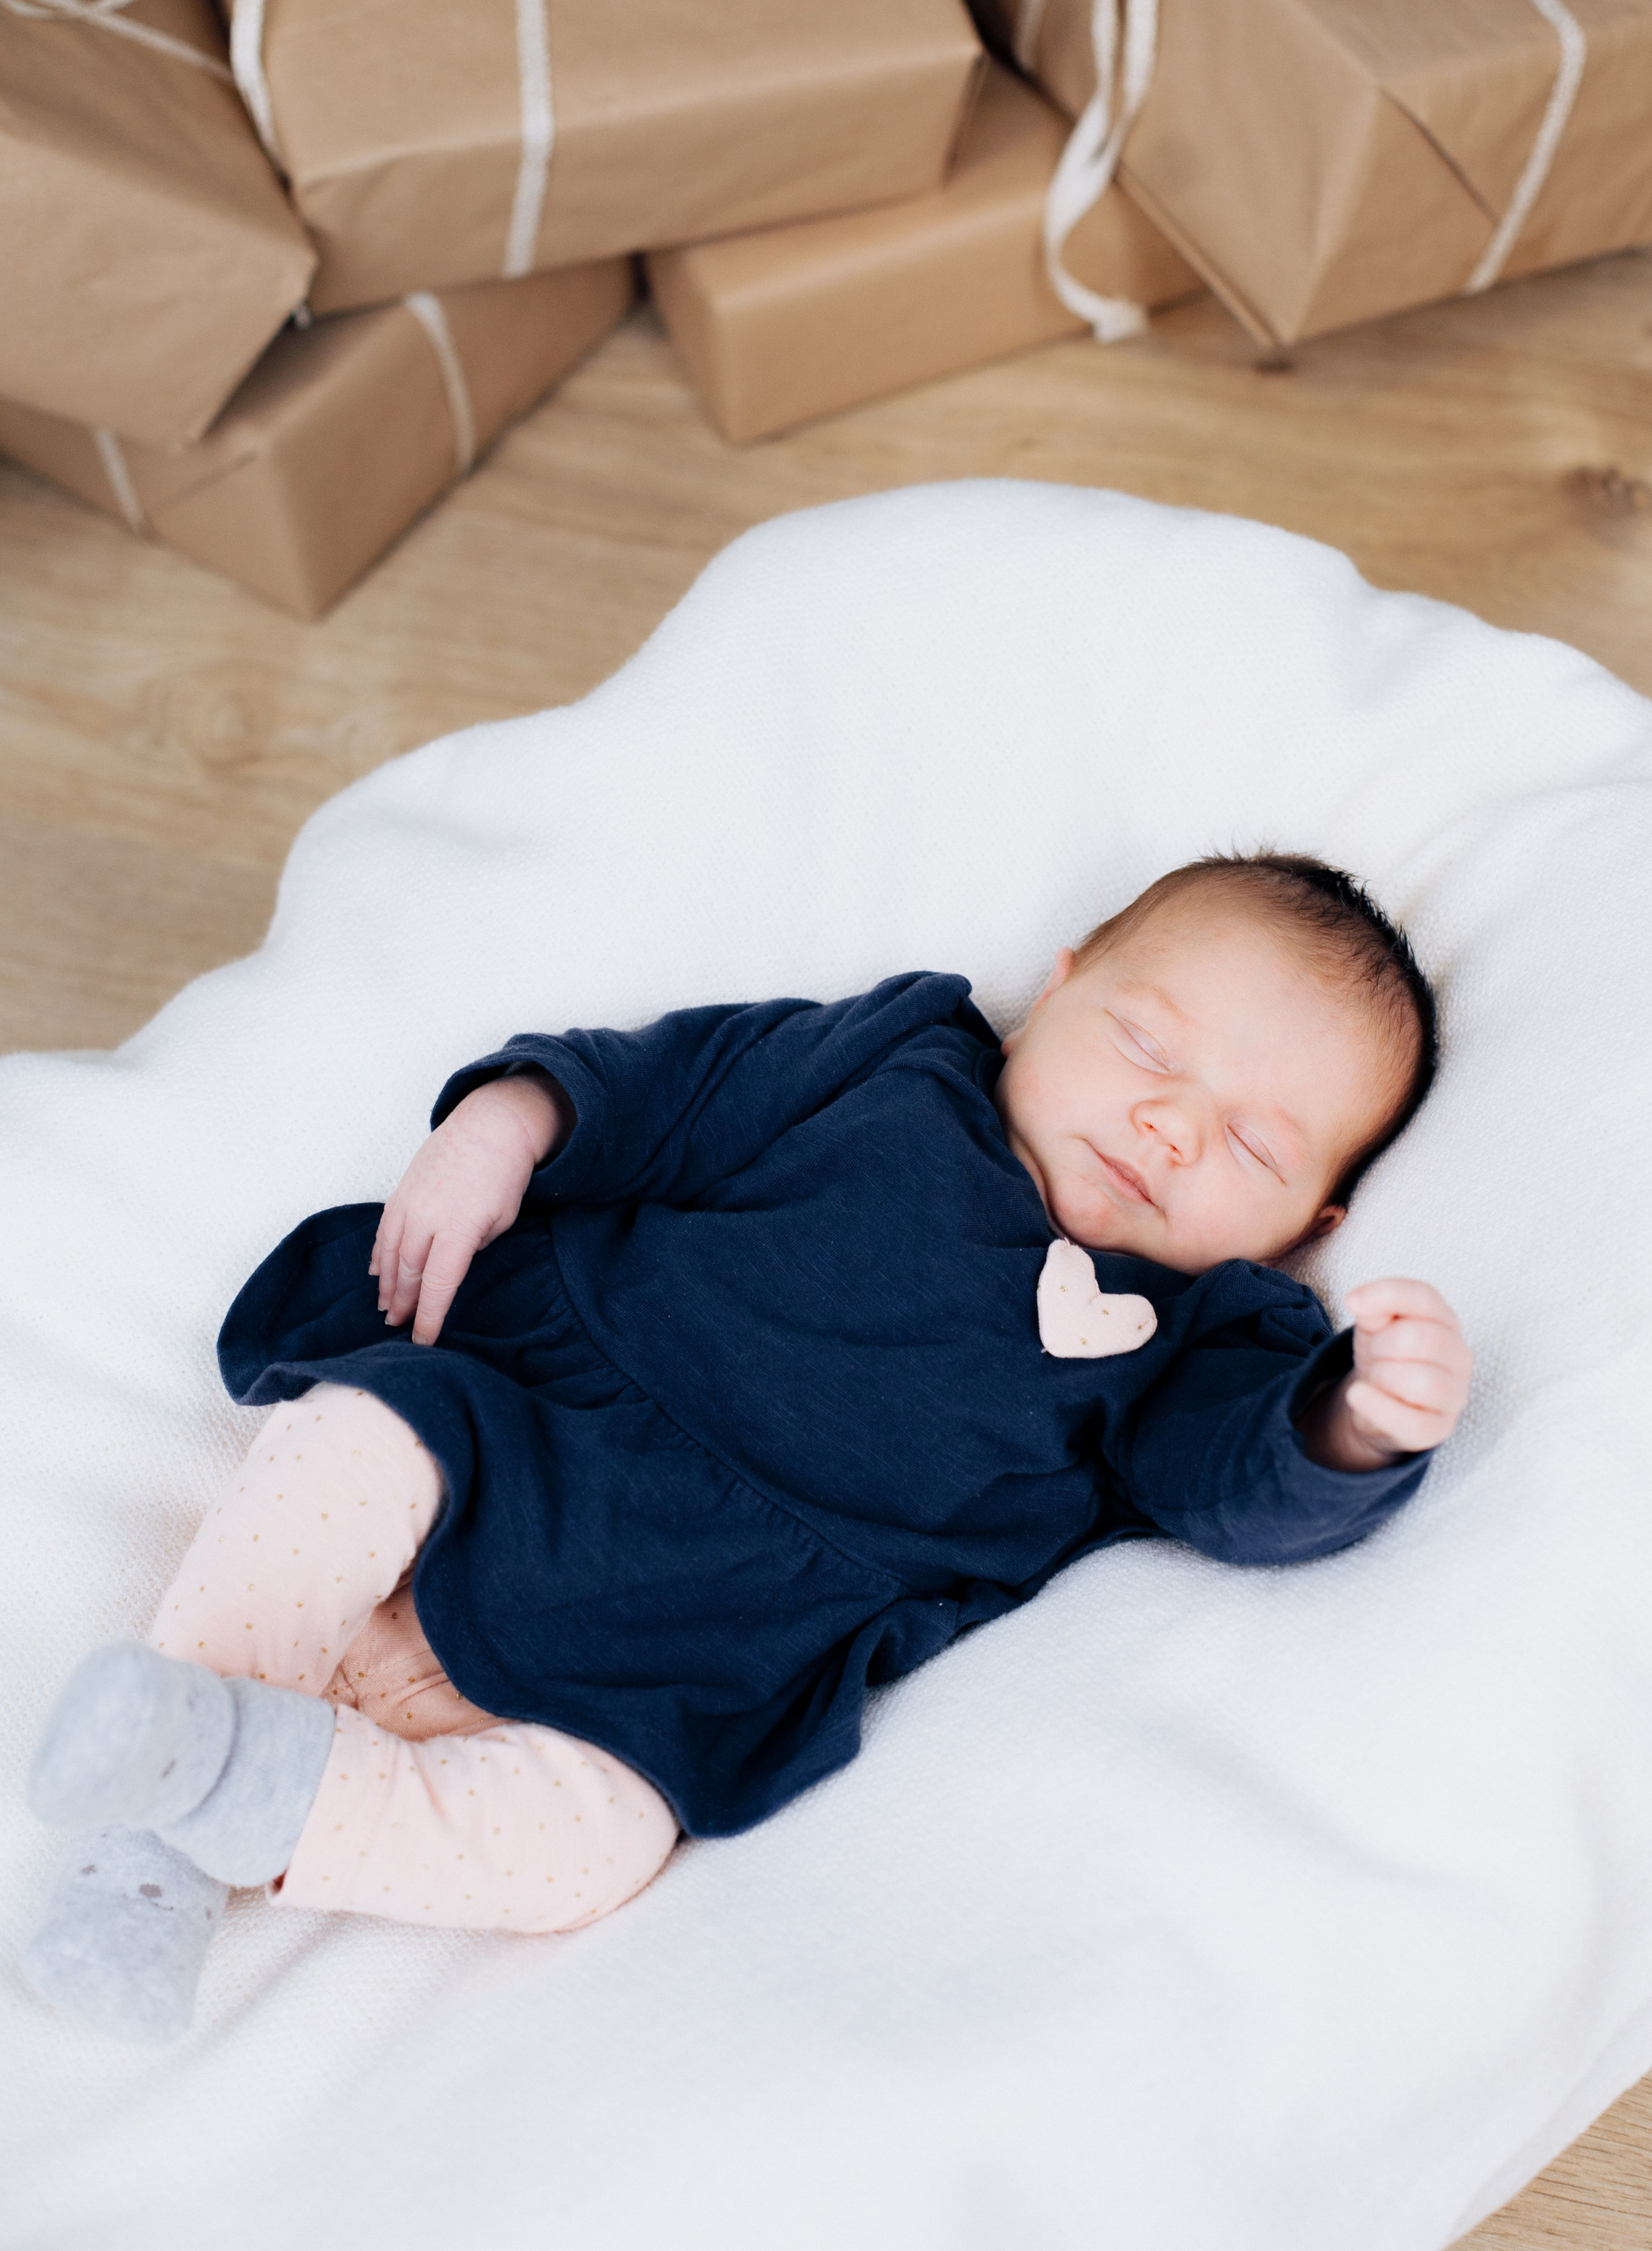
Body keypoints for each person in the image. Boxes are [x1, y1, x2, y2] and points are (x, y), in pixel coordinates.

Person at [23, 853, 1470, 2041]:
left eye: (1255, 1149)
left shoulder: (1210, 1336)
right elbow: (668, 1092)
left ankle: (268, 1788)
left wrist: (1352, 1422)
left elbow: (1236, 1482)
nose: (1167, 1123)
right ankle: (145, 1845)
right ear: (1060, 986)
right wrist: (506, 1124)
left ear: (1310, 1230)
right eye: (1149, 1046)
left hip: (713, 1639)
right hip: (533, 1424)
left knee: (585, 1851)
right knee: (353, 1442)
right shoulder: (895, 1061)